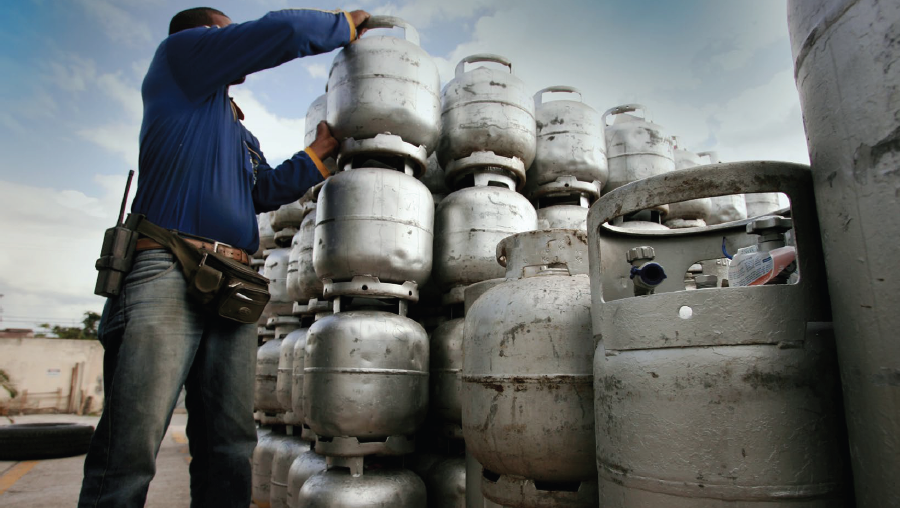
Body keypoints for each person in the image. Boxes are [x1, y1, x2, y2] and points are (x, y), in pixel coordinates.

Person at [78, 7, 370, 508]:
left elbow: (261, 192)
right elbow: (279, 32)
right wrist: (343, 25)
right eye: (223, 30)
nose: (230, 39)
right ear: (203, 36)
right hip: (167, 268)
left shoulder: (234, 130)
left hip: (230, 280)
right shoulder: (178, 60)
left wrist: (317, 155)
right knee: (131, 446)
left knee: (230, 444)